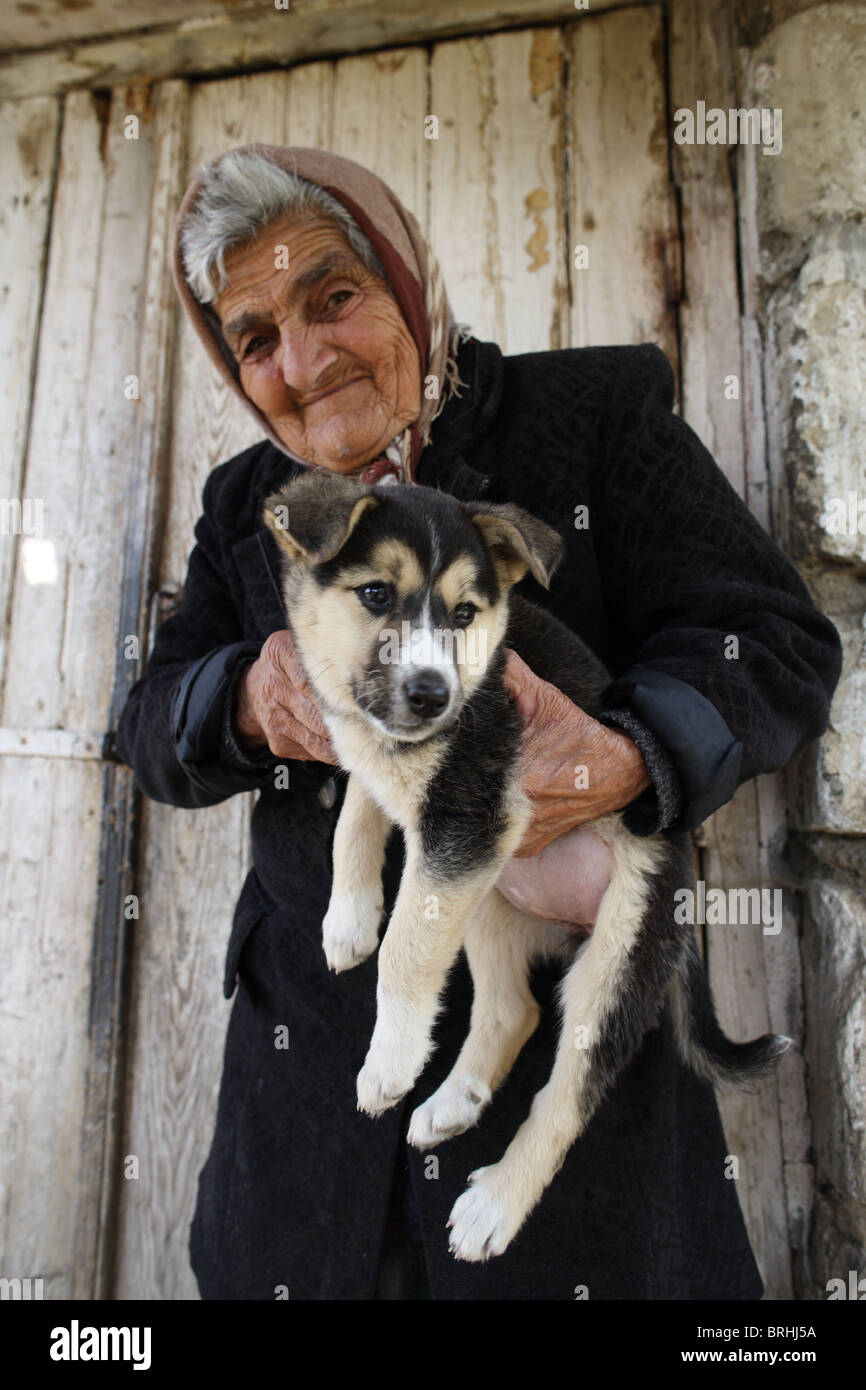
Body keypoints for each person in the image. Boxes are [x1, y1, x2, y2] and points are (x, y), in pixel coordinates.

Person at [116, 144, 842, 1300]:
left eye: (333, 298)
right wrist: (250, 703)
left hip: (562, 1105)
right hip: (306, 1105)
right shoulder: (247, 503)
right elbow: (147, 724)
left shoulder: (591, 414)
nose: (301, 363)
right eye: (254, 338)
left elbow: (773, 641)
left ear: (402, 280)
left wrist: (621, 757)